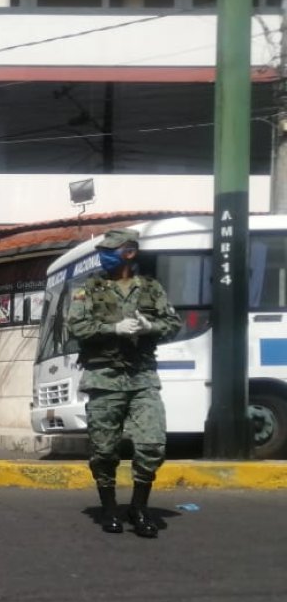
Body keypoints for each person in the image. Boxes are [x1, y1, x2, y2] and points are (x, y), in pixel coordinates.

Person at [66, 228, 181, 538]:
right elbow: (75, 325)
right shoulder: (88, 289)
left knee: (152, 445)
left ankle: (139, 507)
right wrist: (112, 328)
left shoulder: (151, 288)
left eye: (110, 250)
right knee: (104, 452)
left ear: (129, 252)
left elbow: (173, 325)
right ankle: (108, 507)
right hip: (104, 379)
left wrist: (150, 326)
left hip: (143, 378)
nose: (104, 255)